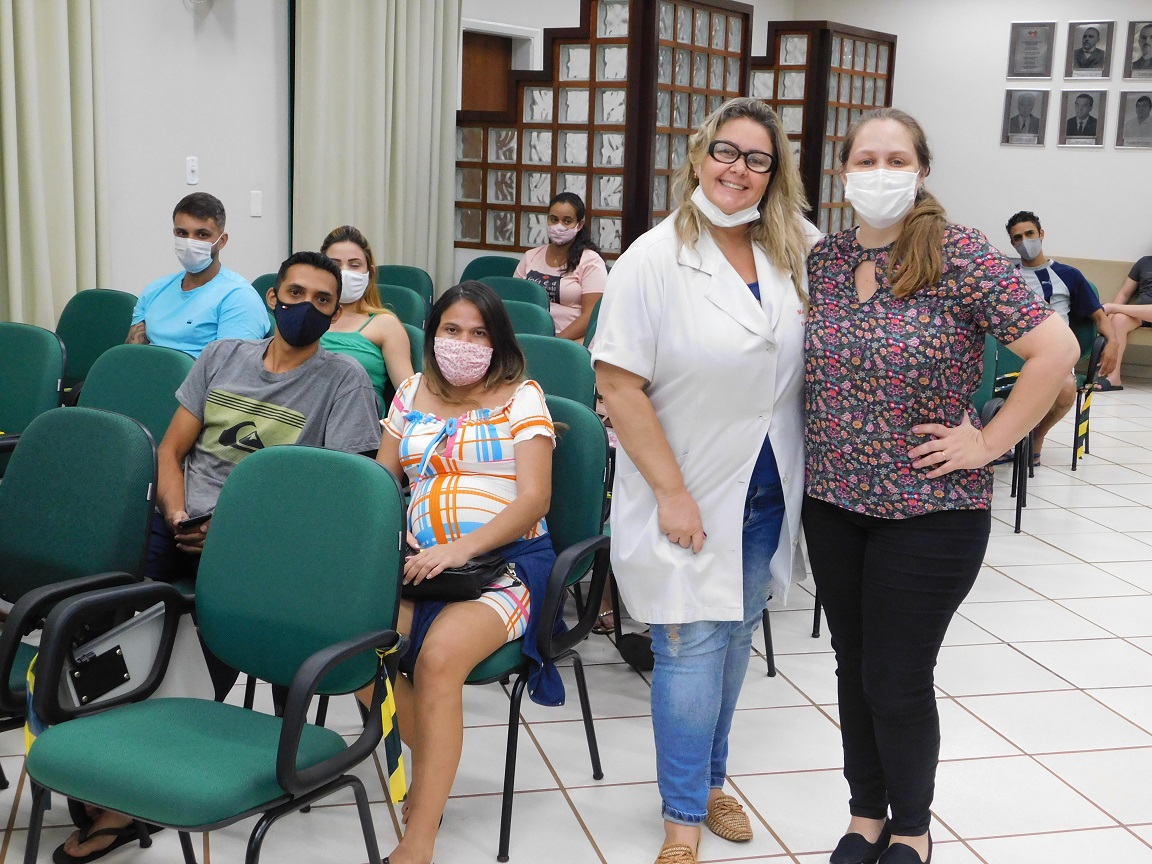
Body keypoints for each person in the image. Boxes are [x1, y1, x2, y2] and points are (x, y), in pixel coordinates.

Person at [803, 108, 1079, 864]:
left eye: (897, 159)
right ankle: (865, 816)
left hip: (930, 512)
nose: (880, 171)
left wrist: (989, 440)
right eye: (867, 158)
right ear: (845, 170)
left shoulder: (960, 256)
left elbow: (1055, 350)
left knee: (896, 677)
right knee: (853, 667)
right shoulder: (825, 259)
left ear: (921, 171)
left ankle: (914, 829)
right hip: (833, 503)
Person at [57, 251, 381, 863]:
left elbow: (330, 492)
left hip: (262, 539)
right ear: (271, 298)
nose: (305, 307)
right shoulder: (222, 356)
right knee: (102, 612)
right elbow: (171, 452)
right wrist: (178, 516)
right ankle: (101, 745)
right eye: (295, 293)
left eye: (321, 300)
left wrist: (230, 533)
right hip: (181, 521)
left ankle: (137, 788)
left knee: (205, 631)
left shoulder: (343, 380)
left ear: (336, 312)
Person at [592, 97, 817, 864]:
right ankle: (683, 816)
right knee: (688, 646)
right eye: (727, 151)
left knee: (733, 638)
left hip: (767, 485)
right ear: (697, 156)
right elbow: (620, 386)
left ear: (774, 172)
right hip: (682, 488)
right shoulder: (653, 258)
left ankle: (715, 780)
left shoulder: (793, 247)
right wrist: (674, 494)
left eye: (758, 159)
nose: (739, 170)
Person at [373, 281, 558, 864]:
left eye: (478, 333)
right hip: (415, 566)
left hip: (502, 566)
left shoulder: (521, 396)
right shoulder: (410, 393)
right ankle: (436, 767)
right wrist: (394, 533)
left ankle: (419, 837)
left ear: (497, 341)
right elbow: (383, 482)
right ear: (432, 336)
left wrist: (460, 548)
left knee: (436, 663)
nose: (463, 343)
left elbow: (534, 499)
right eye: (451, 330)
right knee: (357, 652)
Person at [1006, 210, 1117, 459]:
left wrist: (1114, 342)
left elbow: (1099, 316)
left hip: (1054, 355)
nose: (1025, 241)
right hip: (1010, 354)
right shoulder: (1005, 276)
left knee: (1067, 388)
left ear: (1041, 234)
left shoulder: (1068, 275)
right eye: (1017, 238)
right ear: (1012, 244)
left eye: (1029, 234)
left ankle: (1036, 436)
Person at [128, 193, 269, 357]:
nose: (190, 243)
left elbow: (230, 375)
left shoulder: (239, 298)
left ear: (222, 241)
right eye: (182, 233)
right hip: (150, 378)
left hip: (202, 381)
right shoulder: (155, 289)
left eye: (202, 234)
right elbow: (131, 358)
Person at [318, 225, 414, 404]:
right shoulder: (307, 317)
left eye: (354, 265)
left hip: (357, 418)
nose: (344, 272)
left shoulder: (385, 324)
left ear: (370, 273)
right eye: (334, 265)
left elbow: (408, 395)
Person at [514, 192, 607, 341]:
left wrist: (555, 342)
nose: (559, 226)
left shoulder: (591, 261)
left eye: (567, 221)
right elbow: (516, 302)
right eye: (554, 220)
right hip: (529, 337)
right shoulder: (530, 256)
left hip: (572, 340)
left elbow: (591, 314)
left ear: (580, 224)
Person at [1096, 254, 1152, 391]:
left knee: (1115, 310)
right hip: (1140, 313)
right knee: (1119, 320)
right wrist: (1109, 319)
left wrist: (1111, 308)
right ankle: (1114, 377)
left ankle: (1111, 307)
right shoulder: (1145, 262)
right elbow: (1125, 293)